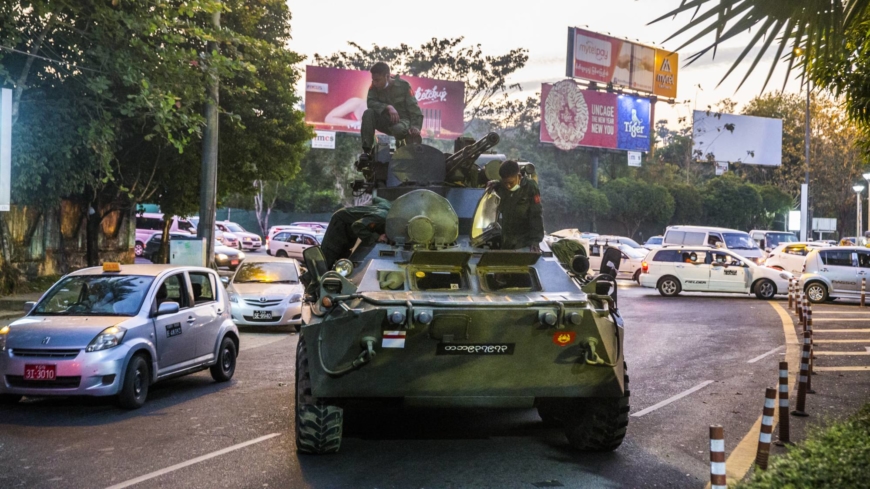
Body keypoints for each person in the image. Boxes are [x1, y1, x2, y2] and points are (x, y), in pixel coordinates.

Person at [361, 62, 423, 156]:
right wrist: (387, 107)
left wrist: (416, 127)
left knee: (398, 129)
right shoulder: (373, 86)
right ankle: (367, 150)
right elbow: (370, 103)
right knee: (368, 113)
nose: (375, 83)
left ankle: (403, 148)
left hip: (402, 122)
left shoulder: (404, 86)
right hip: (385, 121)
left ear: (387, 76)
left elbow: (414, 108)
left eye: (378, 80)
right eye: (373, 80)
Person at [320, 197, 392, 269]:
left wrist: (364, 211)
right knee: (327, 258)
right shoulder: (380, 217)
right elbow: (357, 225)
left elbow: (375, 199)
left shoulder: (388, 206)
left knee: (343, 260)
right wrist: (377, 237)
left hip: (349, 227)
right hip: (341, 222)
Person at [489, 160, 544, 252]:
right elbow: (500, 184)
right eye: (505, 183)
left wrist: (535, 241)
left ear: (518, 176)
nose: (508, 186)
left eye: (511, 183)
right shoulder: (502, 185)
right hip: (507, 239)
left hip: (524, 241)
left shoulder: (530, 187)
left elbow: (536, 215)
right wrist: (495, 184)